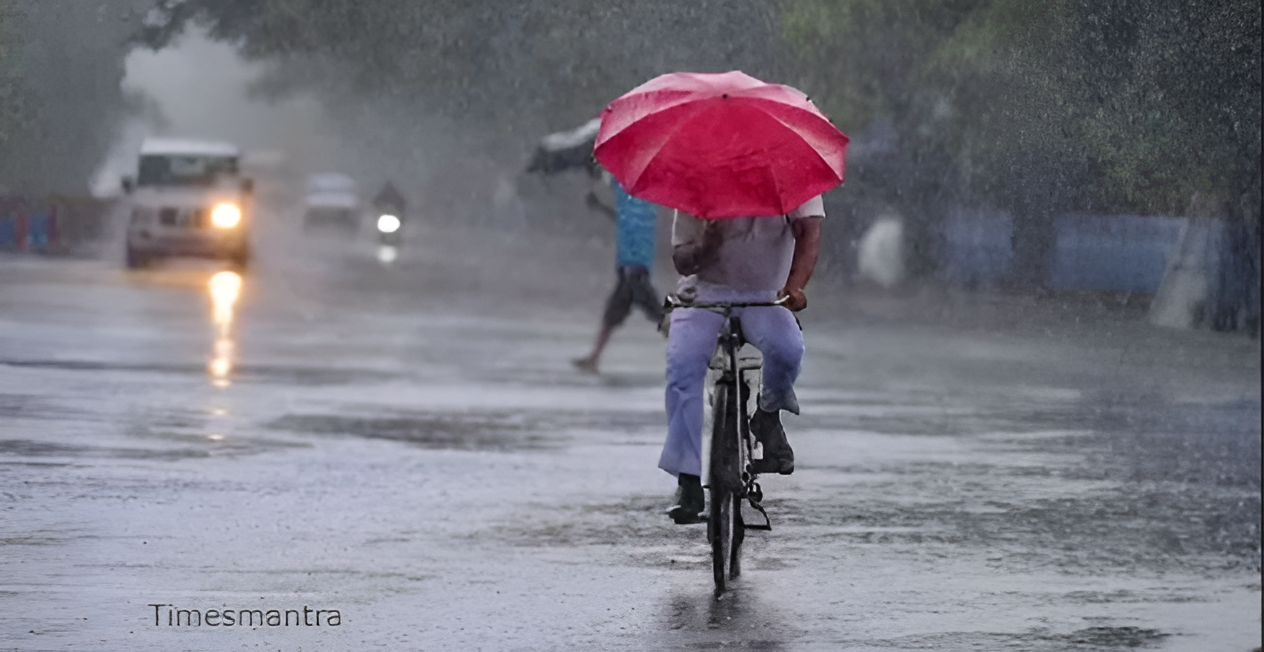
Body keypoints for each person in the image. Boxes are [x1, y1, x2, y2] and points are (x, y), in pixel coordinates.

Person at [661, 196, 824, 524]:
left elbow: (809, 233)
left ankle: (767, 415)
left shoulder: (789, 176)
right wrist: (707, 246)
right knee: (683, 365)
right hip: (704, 296)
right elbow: (681, 259)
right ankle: (688, 480)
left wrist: (795, 286)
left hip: (765, 297)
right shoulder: (699, 182)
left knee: (788, 350)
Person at [572, 173, 665, 373]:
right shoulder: (642, 202)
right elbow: (623, 219)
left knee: (659, 316)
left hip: (635, 269)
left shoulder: (637, 198)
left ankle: (695, 355)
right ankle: (594, 358)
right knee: (613, 315)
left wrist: (594, 186)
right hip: (629, 269)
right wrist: (598, 205)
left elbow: (625, 216)